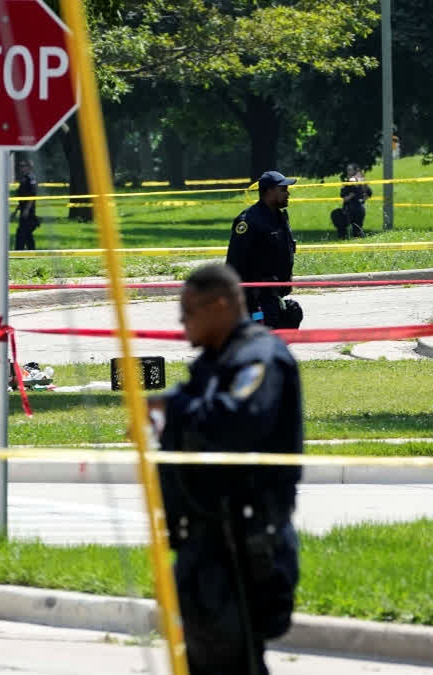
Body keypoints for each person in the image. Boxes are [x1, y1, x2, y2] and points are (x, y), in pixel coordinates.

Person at [150, 263, 302, 675]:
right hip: (207, 542)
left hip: (242, 544)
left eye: (188, 313)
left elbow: (238, 420)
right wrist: (162, 407)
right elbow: (189, 400)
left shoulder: (259, 357)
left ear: (219, 305)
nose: (183, 325)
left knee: (230, 661)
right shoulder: (217, 361)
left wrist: (173, 410)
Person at [226, 170, 303, 329]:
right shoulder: (249, 221)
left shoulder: (279, 217)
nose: (287, 193)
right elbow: (234, 263)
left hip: (274, 294)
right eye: (283, 189)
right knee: (262, 339)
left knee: (293, 313)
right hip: (255, 298)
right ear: (269, 191)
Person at [334, 163, 372, 239]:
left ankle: (351, 240)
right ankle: (347, 239)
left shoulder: (355, 181)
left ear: (355, 171)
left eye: (350, 169)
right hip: (353, 207)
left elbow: (368, 193)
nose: (348, 171)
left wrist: (353, 197)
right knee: (351, 227)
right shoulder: (358, 181)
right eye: (348, 169)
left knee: (356, 228)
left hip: (354, 208)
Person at [13, 159, 40, 250]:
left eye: (24, 166)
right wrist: (16, 210)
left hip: (29, 211)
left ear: (29, 168)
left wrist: (27, 209)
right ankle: (31, 251)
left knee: (22, 232)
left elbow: (32, 196)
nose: (22, 168)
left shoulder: (31, 179)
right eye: (21, 166)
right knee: (26, 233)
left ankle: (18, 251)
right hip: (23, 209)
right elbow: (22, 198)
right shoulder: (23, 179)